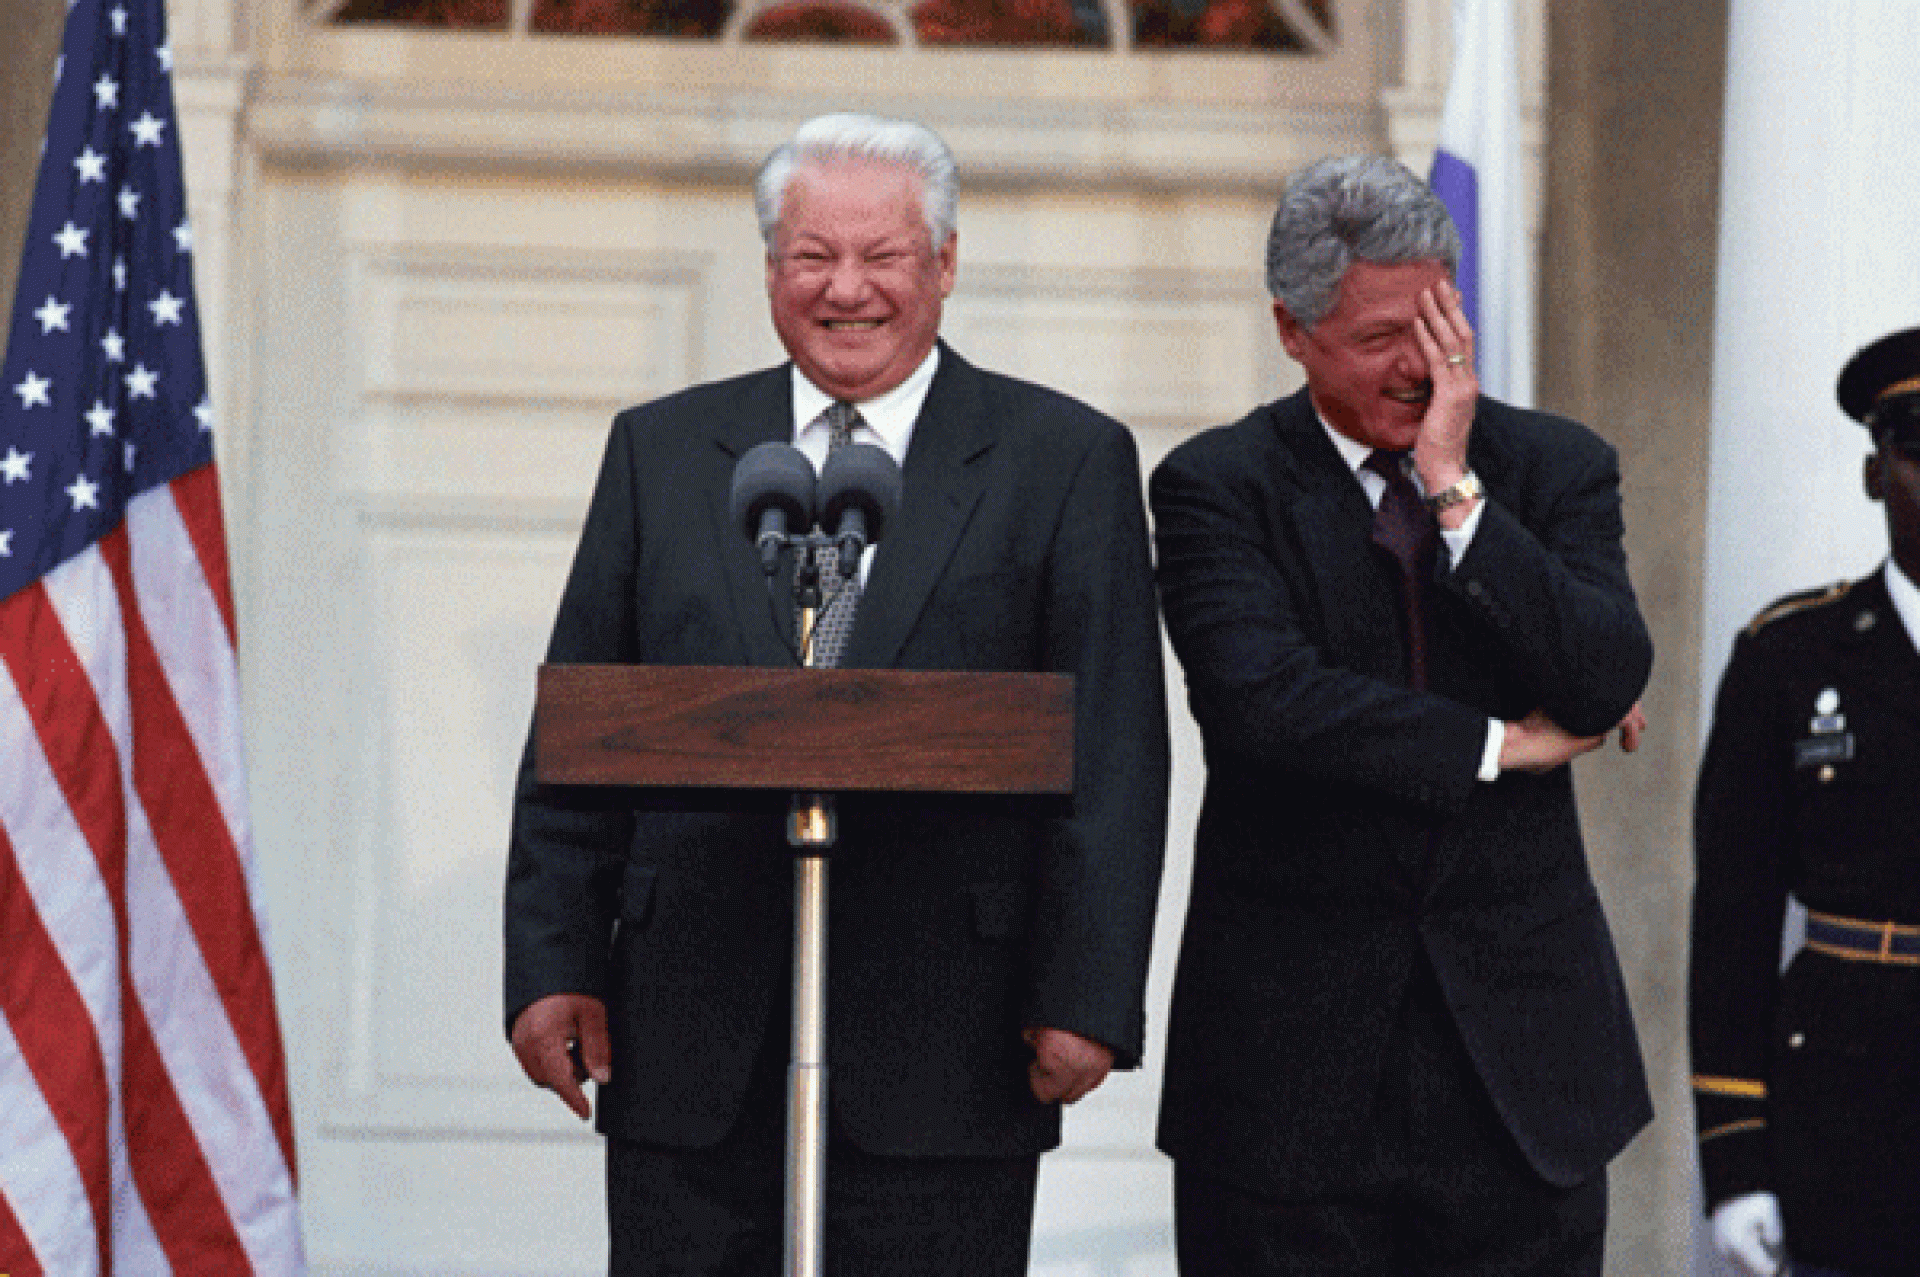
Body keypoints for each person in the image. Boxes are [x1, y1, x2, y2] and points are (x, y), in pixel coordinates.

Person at [502, 112, 1169, 1276]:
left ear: (946, 264)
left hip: (946, 1036)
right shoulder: (665, 452)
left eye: (884, 256)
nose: (846, 289)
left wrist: (1089, 992)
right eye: (812, 257)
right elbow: (579, 731)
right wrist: (551, 961)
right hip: (693, 1027)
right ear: (770, 268)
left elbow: (1113, 747)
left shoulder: (1061, 459)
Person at [1149, 154, 1653, 1276]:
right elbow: (1262, 702)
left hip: (1524, 1077)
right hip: (1288, 1084)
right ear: (1291, 328)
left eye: (1440, 316)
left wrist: (1456, 490)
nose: (1425, 360)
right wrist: (1496, 745)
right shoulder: (1215, 485)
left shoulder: (1553, 465)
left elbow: (1607, 670)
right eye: (1382, 333)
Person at [1689, 325, 1920, 1277]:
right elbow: (1734, 924)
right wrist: (1735, 1157)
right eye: (1919, 452)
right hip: (1846, 1115)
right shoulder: (1790, 657)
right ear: (1876, 473)